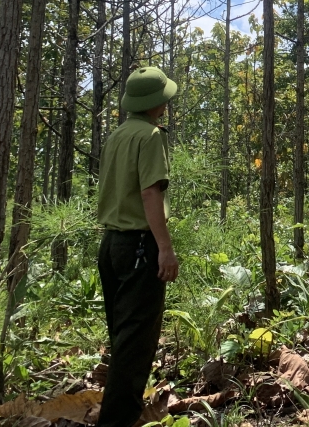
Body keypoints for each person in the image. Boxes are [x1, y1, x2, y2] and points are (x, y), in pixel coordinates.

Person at [96, 66, 180, 427]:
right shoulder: (150, 137)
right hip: (139, 248)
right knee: (134, 347)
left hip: (111, 246)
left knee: (122, 338)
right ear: (157, 103)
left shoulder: (116, 136)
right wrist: (165, 248)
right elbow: (149, 193)